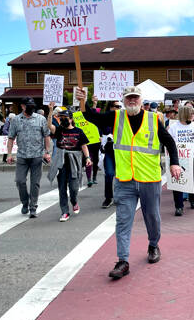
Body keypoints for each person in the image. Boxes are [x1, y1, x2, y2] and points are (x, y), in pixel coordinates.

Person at [76, 86, 181, 280]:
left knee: (153, 217)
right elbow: (93, 117)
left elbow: (170, 142)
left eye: (135, 98)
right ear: (124, 100)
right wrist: (83, 102)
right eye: (128, 98)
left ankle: (153, 245)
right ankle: (122, 261)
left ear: (141, 100)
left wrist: (174, 163)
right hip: (125, 180)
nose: (132, 101)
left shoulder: (153, 119)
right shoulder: (116, 117)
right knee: (123, 221)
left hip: (149, 179)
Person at [7, 98, 51, 218]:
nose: (31, 108)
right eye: (28, 106)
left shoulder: (40, 119)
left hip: (37, 156)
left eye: (32, 105)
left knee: (35, 183)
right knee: (20, 181)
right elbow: (11, 137)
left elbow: (47, 136)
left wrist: (47, 152)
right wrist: (9, 154)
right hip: (22, 156)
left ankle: (33, 207)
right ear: (22, 106)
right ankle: (25, 202)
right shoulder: (16, 120)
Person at [47, 104, 91, 222]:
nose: (63, 120)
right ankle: (65, 212)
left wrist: (87, 158)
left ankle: (74, 201)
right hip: (61, 162)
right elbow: (49, 125)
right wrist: (50, 111)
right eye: (61, 118)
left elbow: (83, 145)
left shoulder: (78, 131)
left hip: (74, 163)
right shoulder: (59, 130)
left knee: (73, 188)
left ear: (71, 119)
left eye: (65, 118)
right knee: (62, 188)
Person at [168, 105, 194, 216]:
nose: (193, 116)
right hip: (179, 157)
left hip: (193, 155)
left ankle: (192, 199)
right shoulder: (174, 127)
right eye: (191, 113)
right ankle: (179, 206)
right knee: (178, 181)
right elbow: (169, 142)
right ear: (185, 114)